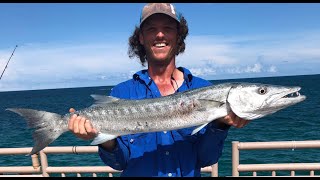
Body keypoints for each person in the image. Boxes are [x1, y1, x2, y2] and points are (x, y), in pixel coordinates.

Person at [68, 3, 249, 177]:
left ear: (179, 36)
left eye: (168, 28)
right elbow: (119, 163)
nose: (160, 35)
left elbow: (206, 158)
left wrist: (221, 125)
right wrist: (104, 138)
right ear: (141, 37)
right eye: (151, 29)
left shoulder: (203, 89)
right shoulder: (122, 92)